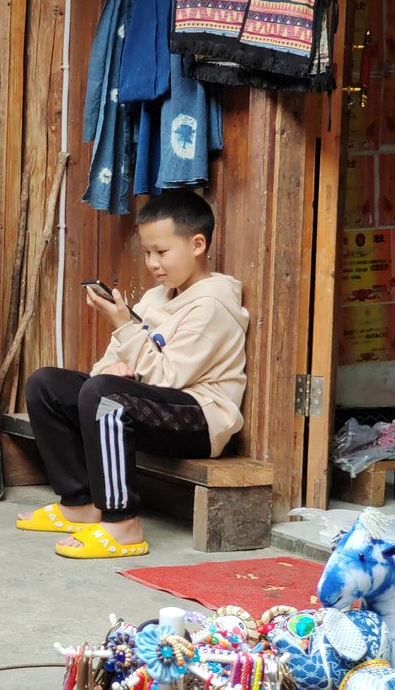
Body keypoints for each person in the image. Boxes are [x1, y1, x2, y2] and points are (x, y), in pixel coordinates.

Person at [17, 189, 248, 559]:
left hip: (200, 419)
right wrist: (112, 368)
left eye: (162, 251)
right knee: (45, 384)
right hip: (152, 405)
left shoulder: (213, 305)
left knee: (105, 395)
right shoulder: (156, 298)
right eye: (147, 253)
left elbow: (169, 378)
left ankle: (123, 524)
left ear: (198, 244)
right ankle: (79, 503)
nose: (153, 263)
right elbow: (105, 367)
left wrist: (124, 329)